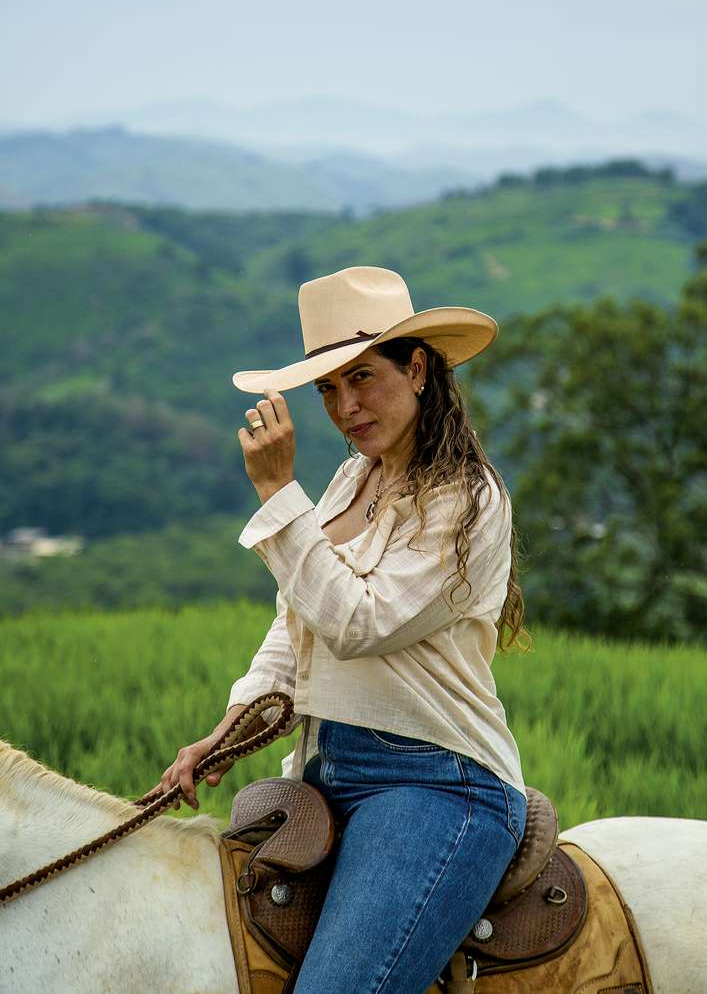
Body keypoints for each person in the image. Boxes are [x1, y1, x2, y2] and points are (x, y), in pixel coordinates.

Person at [152, 265, 532, 994]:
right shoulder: (350, 480)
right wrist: (227, 732)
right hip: (321, 770)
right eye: (327, 388)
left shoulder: (467, 497)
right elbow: (296, 628)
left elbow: (359, 623)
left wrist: (275, 490)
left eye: (362, 378)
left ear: (416, 369)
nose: (345, 406)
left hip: (435, 785)